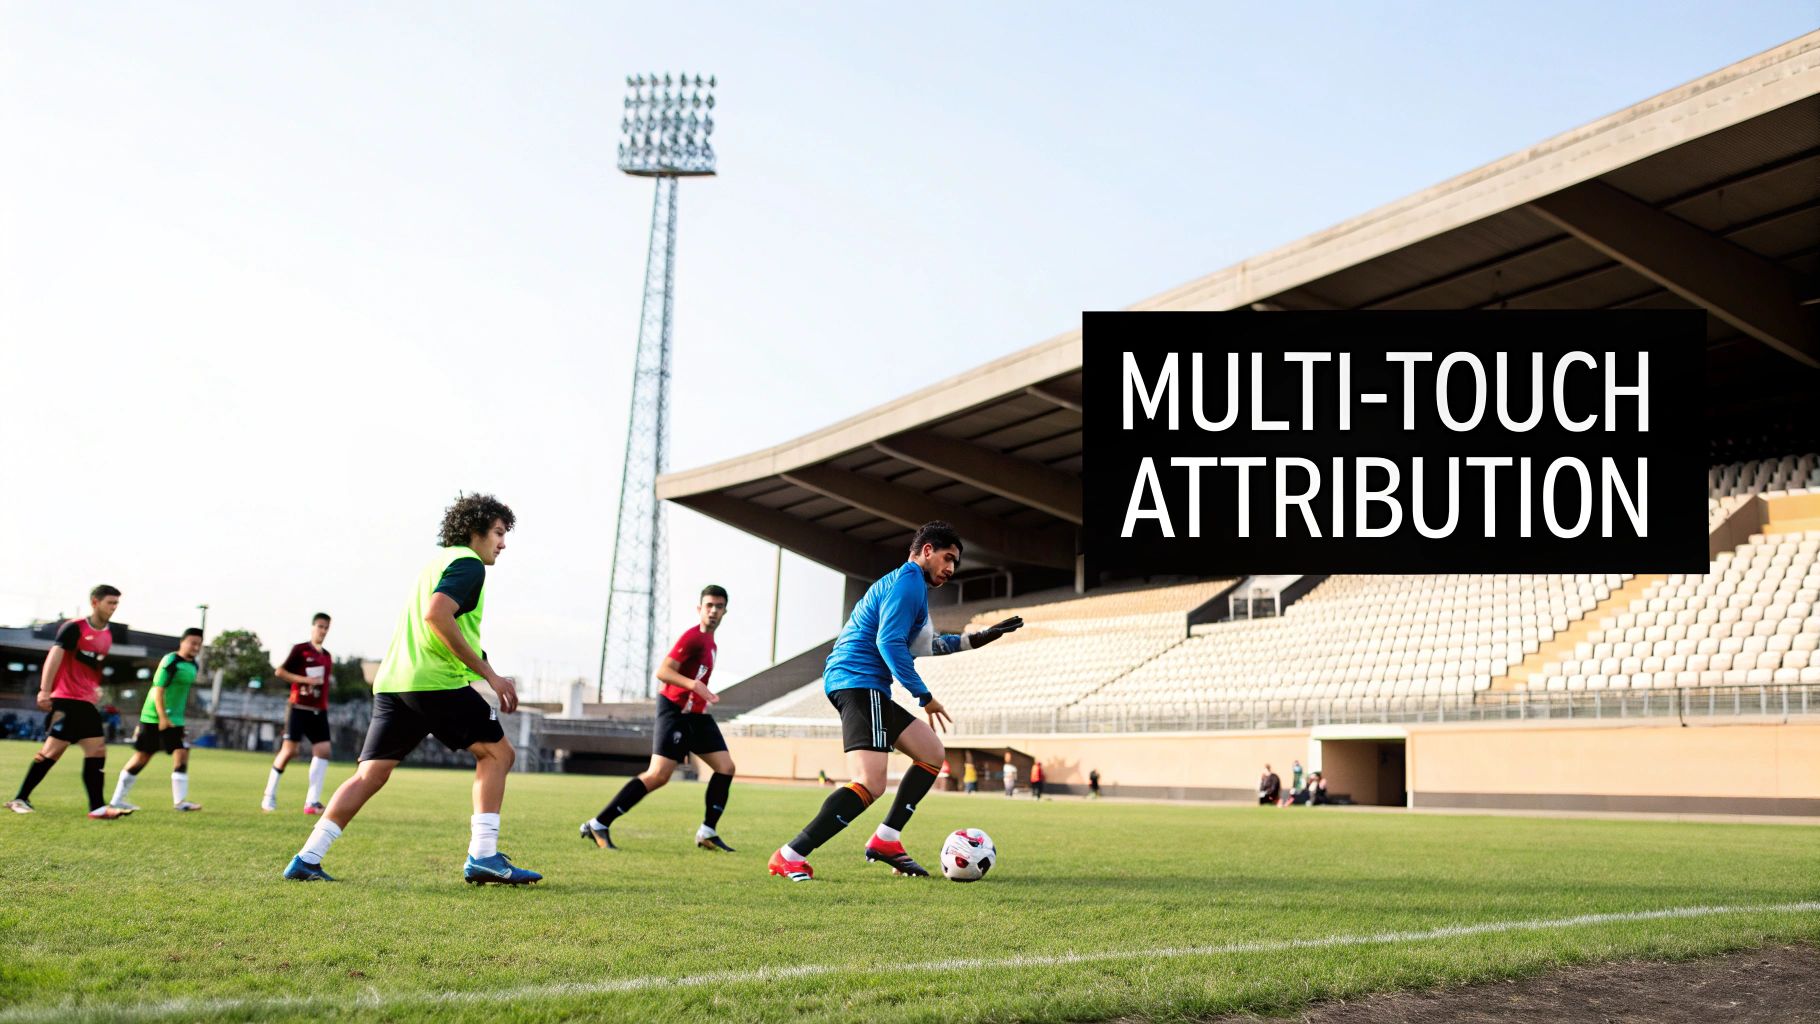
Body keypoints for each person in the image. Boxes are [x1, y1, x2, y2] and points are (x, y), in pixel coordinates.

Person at [282, 494, 539, 885]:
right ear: (476, 531)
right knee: (498, 754)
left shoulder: (435, 562)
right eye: (499, 533)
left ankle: (307, 857)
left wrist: (488, 667)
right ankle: (484, 855)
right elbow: (436, 614)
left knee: (370, 775)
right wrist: (489, 674)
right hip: (433, 683)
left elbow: (447, 624)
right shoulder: (469, 564)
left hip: (394, 683)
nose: (503, 543)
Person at [768, 521, 1022, 882]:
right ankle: (790, 855)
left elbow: (926, 645)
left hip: (866, 684)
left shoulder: (911, 587)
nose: (951, 568)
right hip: (858, 681)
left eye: (956, 563)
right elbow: (889, 644)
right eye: (948, 558)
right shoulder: (908, 584)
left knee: (932, 753)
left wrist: (978, 638)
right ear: (927, 551)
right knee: (870, 783)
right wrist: (925, 697)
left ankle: (887, 839)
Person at [582, 585, 738, 853]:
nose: (713, 611)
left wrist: (699, 697)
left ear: (725, 611)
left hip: (697, 716)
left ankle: (707, 832)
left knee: (726, 767)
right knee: (658, 775)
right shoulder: (692, 638)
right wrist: (694, 686)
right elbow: (663, 671)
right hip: (673, 712)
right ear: (699, 608)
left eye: (719, 606)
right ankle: (599, 823)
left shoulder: (711, 643)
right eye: (709, 605)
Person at [6, 585, 132, 818]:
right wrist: (45, 691)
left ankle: (96, 807)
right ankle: (21, 798)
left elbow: (92, 667)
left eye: (116, 604)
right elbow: (54, 657)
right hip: (66, 699)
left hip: (84, 701)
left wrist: (95, 688)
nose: (114, 608)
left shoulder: (107, 635)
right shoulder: (74, 628)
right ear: (95, 602)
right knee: (58, 751)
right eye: (110, 603)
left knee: (87, 750)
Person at [110, 628, 205, 812]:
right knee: (143, 756)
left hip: (175, 719)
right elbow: (158, 690)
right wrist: (162, 718)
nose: (195, 647)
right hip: (155, 716)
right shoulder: (170, 661)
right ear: (182, 642)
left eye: (199, 644)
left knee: (183, 752)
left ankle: (180, 803)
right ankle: (116, 801)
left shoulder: (194, 665)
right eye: (192, 642)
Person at [263, 613, 336, 814]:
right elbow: (280, 672)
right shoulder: (301, 650)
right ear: (313, 627)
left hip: (318, 710)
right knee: (289, 752)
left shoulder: (327, 656)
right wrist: (304, 680)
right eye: (320, 626)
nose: (322, 630)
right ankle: (269, 795)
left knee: (323, 751)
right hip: (298, 708)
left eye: (326, 627)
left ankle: (312, 802)